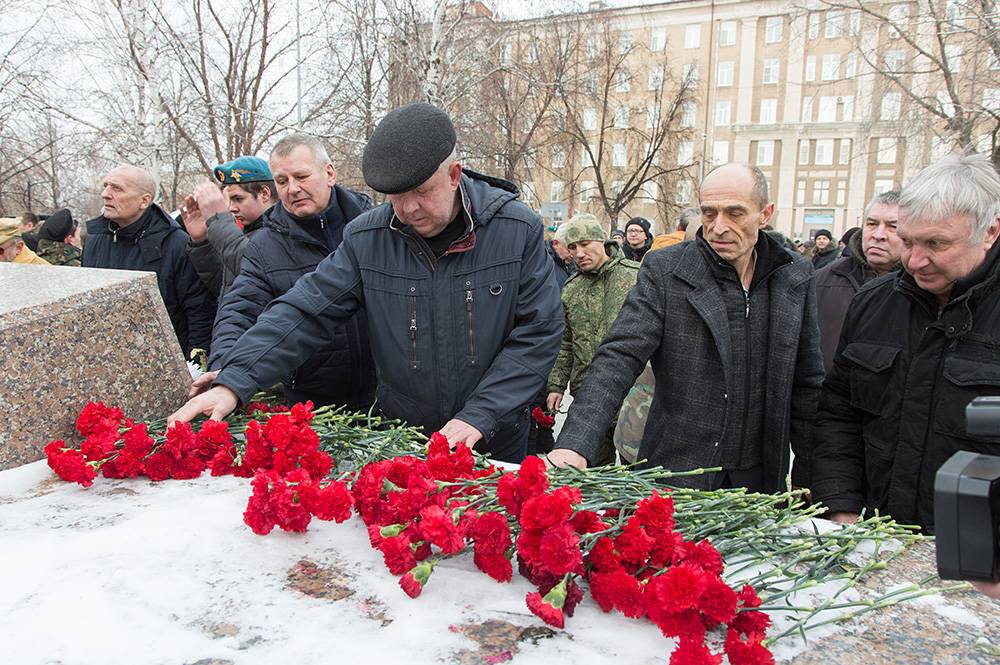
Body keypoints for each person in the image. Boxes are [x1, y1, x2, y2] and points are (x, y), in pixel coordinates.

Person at [169, 103, 564, 463]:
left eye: (422, 192)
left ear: (454, 175)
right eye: (395, 196)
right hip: (405, 438)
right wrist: (235, 380)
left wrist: (479, 416)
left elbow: (538, 333)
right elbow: (305, 310)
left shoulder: (515, 228)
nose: (409, 209)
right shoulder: (368, 237)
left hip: (494, 436)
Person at [547, 163, 823, 494]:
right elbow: (618, 357)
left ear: (765, 214)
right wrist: (576, 443)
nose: (719, 227)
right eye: (710, 213)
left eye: (734, 213)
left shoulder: (793, 276)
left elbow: (808, 386)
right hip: (676, 476)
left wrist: (821, 488)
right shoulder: (667, 272)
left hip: (758, 480)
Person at [810, 152, 1000, 533]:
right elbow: (839, 416)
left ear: (990, 232)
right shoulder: (875, 302)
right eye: (909, 241)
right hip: (878, 538)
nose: (914, 261)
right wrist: (840, 506)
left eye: (936, 244)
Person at [192, 134, 377, 411]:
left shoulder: (373, 229)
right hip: (314, 405)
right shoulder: (264, 246)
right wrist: (226, 370)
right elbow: (239, 310)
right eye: (282, 181)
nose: (292, 189)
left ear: (329, 173)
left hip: (386, 396)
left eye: (301, 177)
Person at [81, 165, 216, 357]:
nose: (105, 194)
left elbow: (199, 313)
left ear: (144, 201)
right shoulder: (94, 240)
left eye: (117, 188)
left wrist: (195, 367)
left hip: (163, 362)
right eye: (106, 186)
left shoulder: (176, 244)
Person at [545, 214, 640, 466]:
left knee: (638, 467)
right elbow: (566, 342)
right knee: (594, 472)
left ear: (602, 241)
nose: (579, 253)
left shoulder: (635, 278)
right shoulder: (572, 288)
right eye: (573, 247)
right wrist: (556, 385)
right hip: (588, 395)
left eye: (585, 244)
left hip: (632, 396)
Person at [815, 191, 902, 372]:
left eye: (892, 226)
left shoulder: (928, 285)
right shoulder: (820, 281)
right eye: (872, 224)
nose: (878, 235)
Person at [184, 156, 276, 298]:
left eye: (238, 199)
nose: (231, 208)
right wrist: (201, 241)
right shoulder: (247, 231)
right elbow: (225, 287)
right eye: (229, 200)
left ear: (264, 193)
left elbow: (258, 269)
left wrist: (219, 222)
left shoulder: (282, 233)